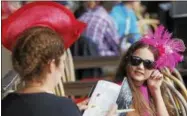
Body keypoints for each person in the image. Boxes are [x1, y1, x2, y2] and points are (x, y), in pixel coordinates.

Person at [2, 2, 117, 116]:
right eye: (62, 62)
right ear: (51, 65)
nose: (62, 69)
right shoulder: (63, 107)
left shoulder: (5, 104)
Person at [115, 25, 186, 116]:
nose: (140, 67)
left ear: (155, 69)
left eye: (148, 64)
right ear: (127, 61)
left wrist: (155, 90)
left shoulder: (150, 89)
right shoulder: (122, 90)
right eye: (136, 60)